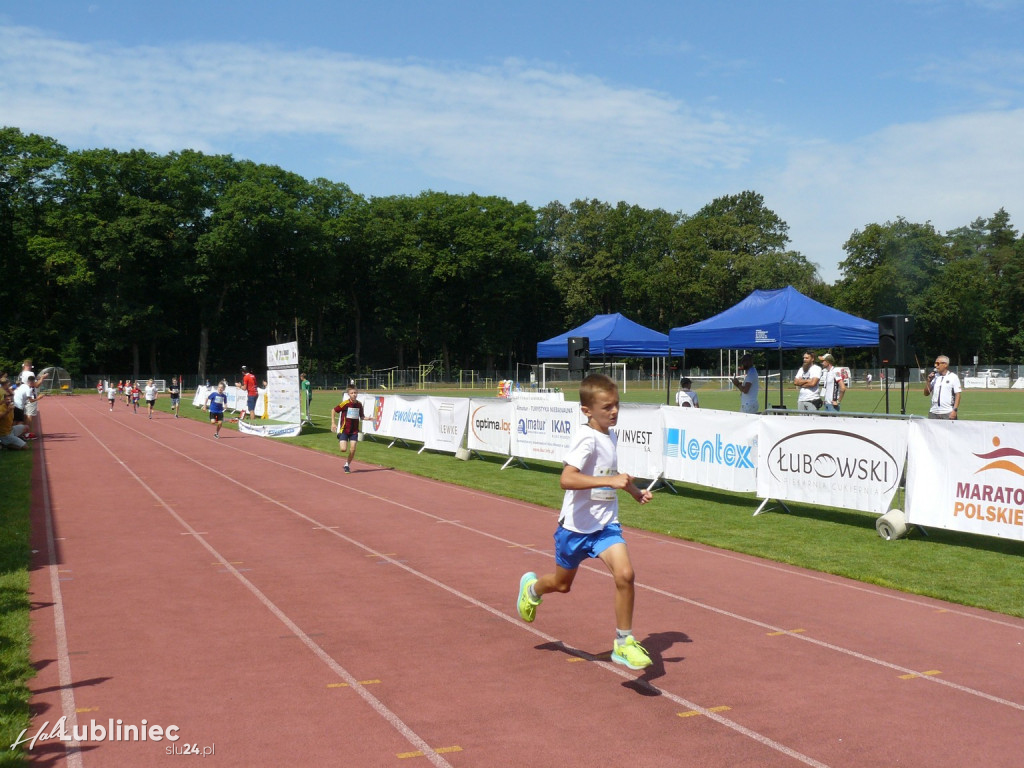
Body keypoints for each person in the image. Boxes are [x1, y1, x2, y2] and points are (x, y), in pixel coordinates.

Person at [516, 373, 654, 671]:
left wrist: (634, 492)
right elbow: (566, 479)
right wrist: (611, 481)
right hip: (575, 529)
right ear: (587, 410)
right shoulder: (585, 437)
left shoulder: (609, 433)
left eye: (617, 405)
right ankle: (532, 590)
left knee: (626, 575)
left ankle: (624, 642)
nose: (614, 411)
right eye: (607, 407)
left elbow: (612, 475)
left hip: (605, 527)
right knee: (561, 585)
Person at [331, 385, 366, 473]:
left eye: (355, 393)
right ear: (348, 394)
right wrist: (333, 423)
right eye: (352, 393)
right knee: (343, 449)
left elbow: (361, 416)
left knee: (353, 448)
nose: (354, 394)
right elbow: (333, 410)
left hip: (354, 431)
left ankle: (347, 465)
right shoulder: (345, 403)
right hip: (345, 430)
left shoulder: (359, 404)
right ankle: (340, 436)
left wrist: (368, 418)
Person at [923, 355, 961, 420]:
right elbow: (926, 393)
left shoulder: (953, 377)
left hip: (948, 412)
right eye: (935, 363)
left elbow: (958, 395)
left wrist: (954, 410)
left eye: (938, 363)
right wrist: (929, 381)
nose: (935, 366)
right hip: (933, 412)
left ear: (945, 365)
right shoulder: (934, 377)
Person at [0, 374, 29, 449]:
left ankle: (13, 440)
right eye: (7, 399)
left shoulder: (12, 406)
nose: (9, 400)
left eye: (11, 399)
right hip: (4, 433)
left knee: (26, 427)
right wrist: (7, 411)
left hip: (10, 430)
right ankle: (6, 444)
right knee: (25, 447)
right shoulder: (3, 407)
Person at [12, 374, 38, 439]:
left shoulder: (23, 385)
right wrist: (39, 398)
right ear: (32, 382)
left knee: (14, 420)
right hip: (19, 405)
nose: (34, 384)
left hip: (14, 403)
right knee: (20, 421)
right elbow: (31, 400)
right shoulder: (28, 389)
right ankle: (18, 436)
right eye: (34, 383)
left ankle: (12, 434)